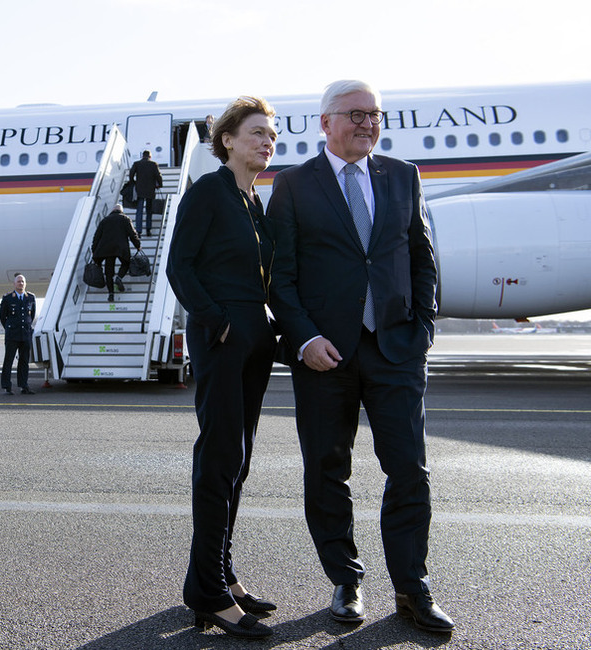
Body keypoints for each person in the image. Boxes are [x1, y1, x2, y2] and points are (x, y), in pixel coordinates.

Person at [267, 80, 453, 633]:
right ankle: (346, 580)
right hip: (325, 354)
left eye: (375, 114)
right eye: (356, 114)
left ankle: (411, 588)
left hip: (395, 348)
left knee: (410, 472)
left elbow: (422, 257)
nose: (369, 123)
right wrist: (302, 339)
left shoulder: (403, 175)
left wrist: (422, 330)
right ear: (326, 123)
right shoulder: (295, 185)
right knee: (327, 470)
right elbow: (281, 275)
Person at [165, 96, 279, 640]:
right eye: (256, 132)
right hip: (224, 337)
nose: (266, 140)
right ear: (228, 140)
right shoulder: (208, 192)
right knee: (218, 459)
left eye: (271, 134)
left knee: (240, 461)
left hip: (256, 339)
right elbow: (179, 265)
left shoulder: (252, 201)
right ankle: (207, 592)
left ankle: (221, 575)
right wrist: (215, 322)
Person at [91, 203, 141, 302]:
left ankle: (111, 294)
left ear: (112, 211)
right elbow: (132, 234)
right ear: (121, 211)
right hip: (121, 249)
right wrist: (138, 245)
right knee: (126, 263)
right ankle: (119, 277)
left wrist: (94, 250)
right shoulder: (125, 219)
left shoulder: (104, 221)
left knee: (108, 273)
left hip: (106, 250)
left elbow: (96, 237)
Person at [0, 274, 37, 395]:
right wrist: (10, 328)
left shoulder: (30, 298)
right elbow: (3, 317)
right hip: (12, 335)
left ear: (25, 284)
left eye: (23, 281)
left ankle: (23, 385)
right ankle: (6, 386)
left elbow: (31, 315)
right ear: (14, 284)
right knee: (8, 360)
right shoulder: (8, 298)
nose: (21, 283)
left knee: (24, 361)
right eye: (18, 281)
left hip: (25, 334)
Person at [129, 150, 163, 237]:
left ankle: (138, 231)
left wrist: (133, 182)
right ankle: (148, 230)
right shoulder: (153, 164)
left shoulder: (137, 164)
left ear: (142, 156)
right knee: (149, 211)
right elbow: (158, 175)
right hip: (150, 190)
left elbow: (131, 173)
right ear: (150, 156)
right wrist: (160, 184)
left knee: (139, 211)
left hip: (139, 190)